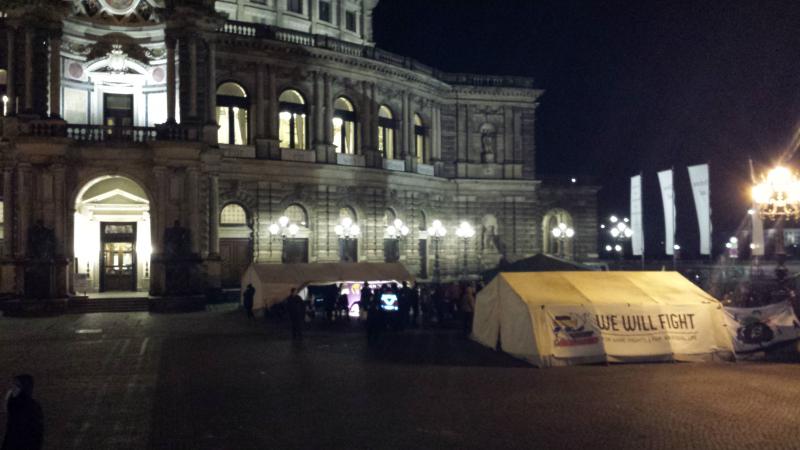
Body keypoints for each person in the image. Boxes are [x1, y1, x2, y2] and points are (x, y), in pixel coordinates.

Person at [2, 374, 43, 450]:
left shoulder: (31, 406)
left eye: (17, 386)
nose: (13, 388)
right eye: (13, 385)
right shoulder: (15, 404)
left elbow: (35, 432)